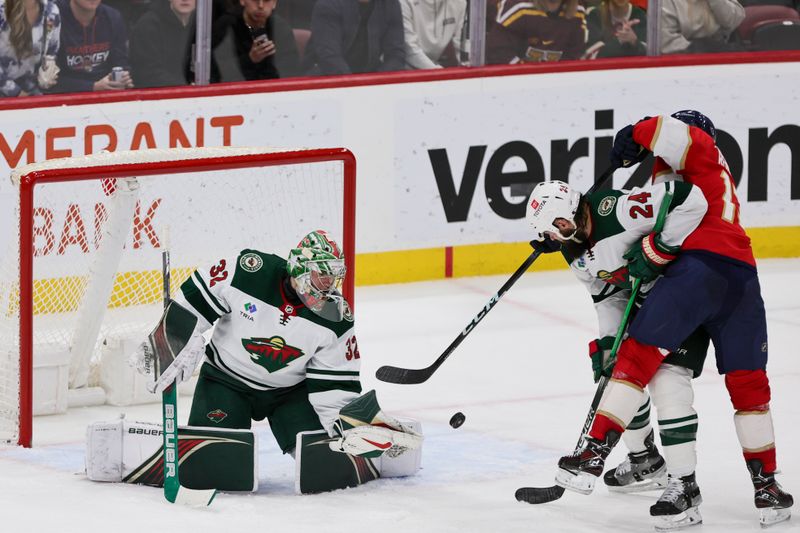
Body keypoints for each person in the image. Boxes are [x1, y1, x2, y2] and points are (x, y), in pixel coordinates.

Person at [555, 111, 794, 528]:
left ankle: (594, 452)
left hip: (697, 272)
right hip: (740, 279)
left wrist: (633, 134)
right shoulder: (676, 181)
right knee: (743, 384)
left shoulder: (700, 151)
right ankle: (765, 488)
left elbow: (666, 130)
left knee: (637, 357)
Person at [130, 230, 422, 469]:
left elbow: (335, 382)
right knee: (216, 464)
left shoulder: (336, 317)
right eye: (321, 276)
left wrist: (356, 426)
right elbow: (195, 299)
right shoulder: (248, 271)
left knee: (325, 464)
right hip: (226, 381)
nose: (328, 286)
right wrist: (171, 338)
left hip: (290, 394)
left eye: (332, 278)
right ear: (299, 268)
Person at [528, 179, 712, 529]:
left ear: (568, 212)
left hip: (685, 295)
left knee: (669, 386)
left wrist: (660, 248)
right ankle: (645, 459)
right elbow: (606, 296)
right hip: (646, 312)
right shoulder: (574, 251)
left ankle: (685, 485)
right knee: (613, 374)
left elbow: (691, 199)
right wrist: (610, 341)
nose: (555, 236)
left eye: (557, 226)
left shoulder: (620, 210)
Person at [50, 0, 132, 93]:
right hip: (63, 99)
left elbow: (121, 63)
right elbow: (47, 81)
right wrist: (93, 87)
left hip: (107, 94)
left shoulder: (113, 17)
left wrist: (123, 78)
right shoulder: (53, 17)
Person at [303, 0, 405, 75]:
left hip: (371, 78)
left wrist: (376, 82)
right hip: (327, 81)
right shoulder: (328, 4)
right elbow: (329, 57)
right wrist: (356, 86)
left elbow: (396, 54)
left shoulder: (391, 4)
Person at [130, 0, 212, 88]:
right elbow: (147, 73)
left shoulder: (205, 24)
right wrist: (186, 88)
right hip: (160, 96)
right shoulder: (147, 26)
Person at [486, 0, 586, 64]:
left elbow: (574, 57)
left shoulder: (577, 13)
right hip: (516, 84)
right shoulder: (518, 7)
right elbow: (497, 53)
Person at [0, 0, 60, 97]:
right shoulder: (1, 10)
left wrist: (48, 74)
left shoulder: (51, 11)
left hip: (34, 94)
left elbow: (51, 52)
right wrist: (17, 92)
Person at [228, 0, 300, 79]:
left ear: (274, 3)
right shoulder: (227, 27)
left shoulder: (281, 28)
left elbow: (291, 71)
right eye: (254, 0)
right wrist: (250, 59)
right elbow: (222, 73)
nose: (260, 5)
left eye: (267, 0)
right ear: (242, 1)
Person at [399, 0, 466, 69]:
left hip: (437, 69)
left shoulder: (460, 3)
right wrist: (438, 72)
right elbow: (409, 48)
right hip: (405, 70)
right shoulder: (404, 2)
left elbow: (458, 46)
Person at [660, 0, 745, 54]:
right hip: (685, 58)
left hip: (723, 51)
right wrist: (702, 48)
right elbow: (667, 43)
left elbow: (734, 20)